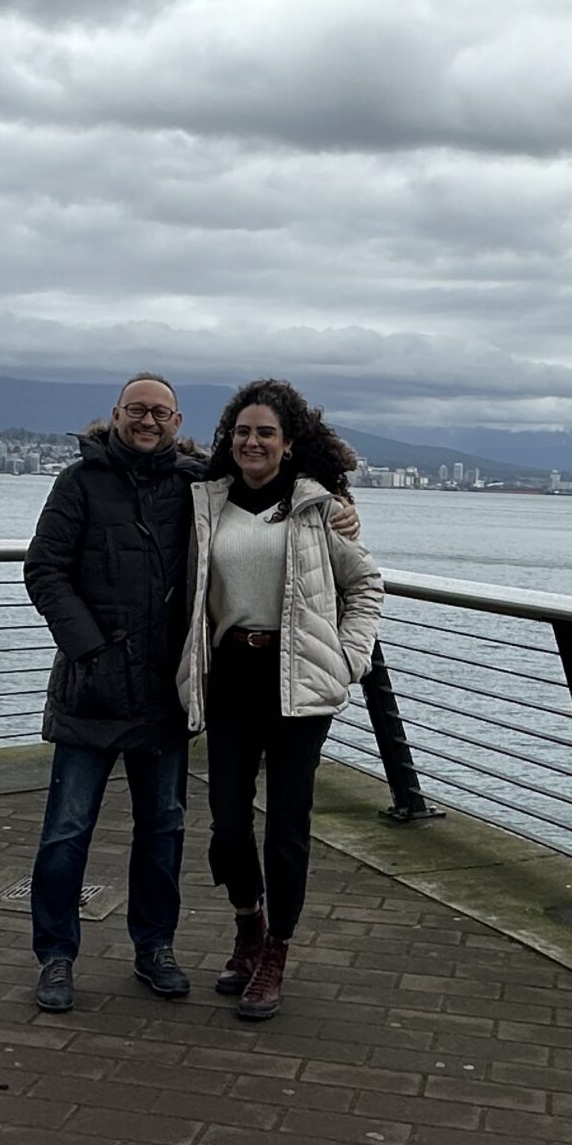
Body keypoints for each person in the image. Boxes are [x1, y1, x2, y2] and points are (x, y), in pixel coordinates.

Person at [177, 379, 383, 1021]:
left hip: (300, 681)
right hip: (232, 674)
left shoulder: (321, 509)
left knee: (288, 825)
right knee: (228, 819)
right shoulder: (206, 503)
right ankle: (248, 922)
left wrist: (349, 658)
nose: (253, 442)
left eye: (266, 432)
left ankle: (277, 955)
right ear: (228, 440)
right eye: (242, 431)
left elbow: (366, 583)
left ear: (289, 443)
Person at [22, 374, 201, 1013]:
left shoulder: (199, 488)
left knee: (165, 828)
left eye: (159, 413)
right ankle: (56, 956)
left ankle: (155, 948)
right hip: (91, 689)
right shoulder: (79, 482)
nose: (147, 422)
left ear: (178, 421)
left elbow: (276, 498)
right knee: (66, 831)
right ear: (115, 415)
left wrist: (341, 508)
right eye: (136, 410)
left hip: (163, 692)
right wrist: (91, 650)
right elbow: (43, 568)